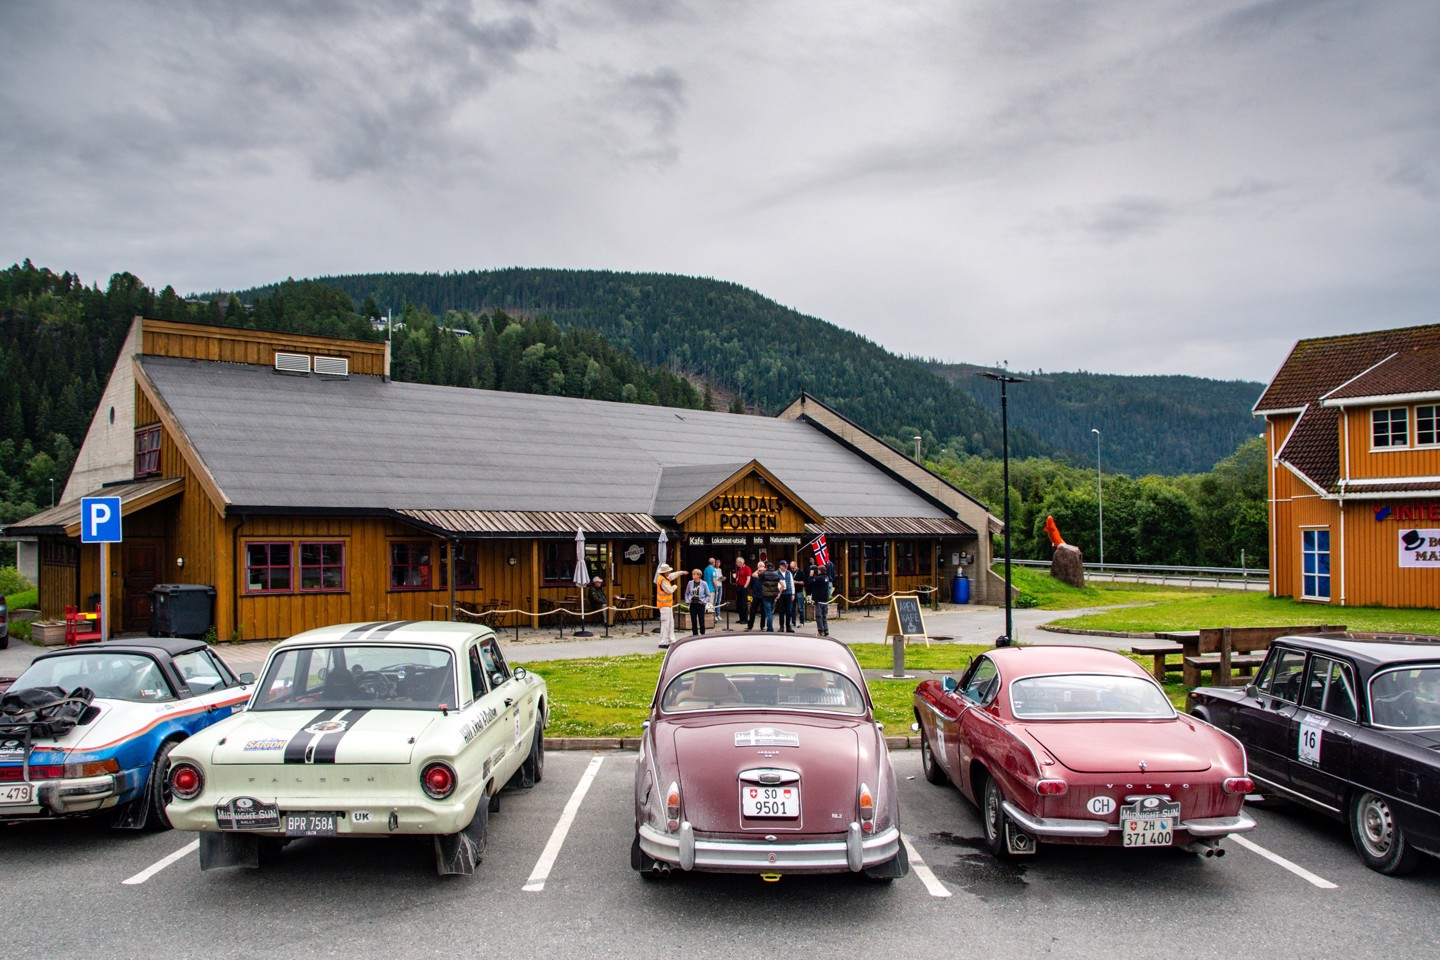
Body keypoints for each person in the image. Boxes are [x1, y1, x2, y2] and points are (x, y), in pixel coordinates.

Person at [807, 555, 833, 636]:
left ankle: (820, 630)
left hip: (819, 600)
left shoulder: (819, 578)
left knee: (819, 616)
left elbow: (810, 583)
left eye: (818, 570)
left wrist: (811, 575)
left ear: (821, 571)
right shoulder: (826, 577)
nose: (817, 571)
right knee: (824, 616)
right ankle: (826, 630)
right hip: (825, 600)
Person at [655, 563, 679, 648]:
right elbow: (670, 590)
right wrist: (675, 586)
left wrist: (681, 572)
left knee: (670, 623)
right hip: (664, 605)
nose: (669, 572)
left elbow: (672, 575)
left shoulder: (664, 577)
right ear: (665, 572)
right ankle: (663, 642)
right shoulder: (663, 580)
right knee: (666, 623)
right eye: (668, 571)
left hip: (667, 604)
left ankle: (671, 640)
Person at [756, 561, 782, 632]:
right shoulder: (776, 574)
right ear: (773, 567)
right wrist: (779, 593)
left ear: (766, 567)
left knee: (768, 612)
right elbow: (782, 584)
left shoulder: (763, 574)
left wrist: (760, 570)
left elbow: (756, 576)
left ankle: (770, 628)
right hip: (774, 595)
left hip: (765, 595)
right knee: (771, 611)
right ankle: (769, 626)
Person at [684, 568, 712, 636]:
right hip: (693, 604)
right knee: (693, 621)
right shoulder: (690, 583)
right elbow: (687, 593)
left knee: (701, 621)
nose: (693, 576)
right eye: (693, 574)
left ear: (699, 575)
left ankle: (702, 634)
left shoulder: (704, 583)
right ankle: (695, 635)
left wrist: (703, 601)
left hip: (700, 604)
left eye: (694, 574)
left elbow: (708, 595)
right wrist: (688, 600)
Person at [776, 560, 796, 632]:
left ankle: (788, 626)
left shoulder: (789, 573)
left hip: (788, 593)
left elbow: (792, 583)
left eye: (786, 566)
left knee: (789, 610)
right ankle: (781, 626)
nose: (786, 567)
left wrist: (793, 593)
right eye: (784, 566)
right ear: (780, 566)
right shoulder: (776, 573)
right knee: (781, 610)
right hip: (780, 594)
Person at [704, 557, 723, 627]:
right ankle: (711, 620)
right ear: (714, 563)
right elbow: (714, 580)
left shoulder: (705, 569)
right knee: (711, 605)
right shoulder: (713, 570)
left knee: (706, 604)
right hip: (711, 589)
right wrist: (716, 588)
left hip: (706, 588)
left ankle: (706, 619)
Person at [734, 556, 752, 625]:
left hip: (743, 587)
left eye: (737, 562)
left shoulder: (747, 568)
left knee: (744, 603)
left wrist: (745, 586)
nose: (736, 563)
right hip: (739, 586)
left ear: (740, 562)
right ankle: (741, 618)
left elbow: (748, 578)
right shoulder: (739, 569)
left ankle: (745, 619)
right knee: (739, 603)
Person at [790, 560, 808, 627]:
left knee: (800, 608)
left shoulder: (801, 572)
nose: (792, 569)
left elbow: (803, 582)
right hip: (792, 592)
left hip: (799, 591)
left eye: (793, 568)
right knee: (792, 608)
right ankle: (793, 622)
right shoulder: (790, 572)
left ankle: (802, 622)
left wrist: (796, 582)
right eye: (791, 568)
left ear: (796, 566)